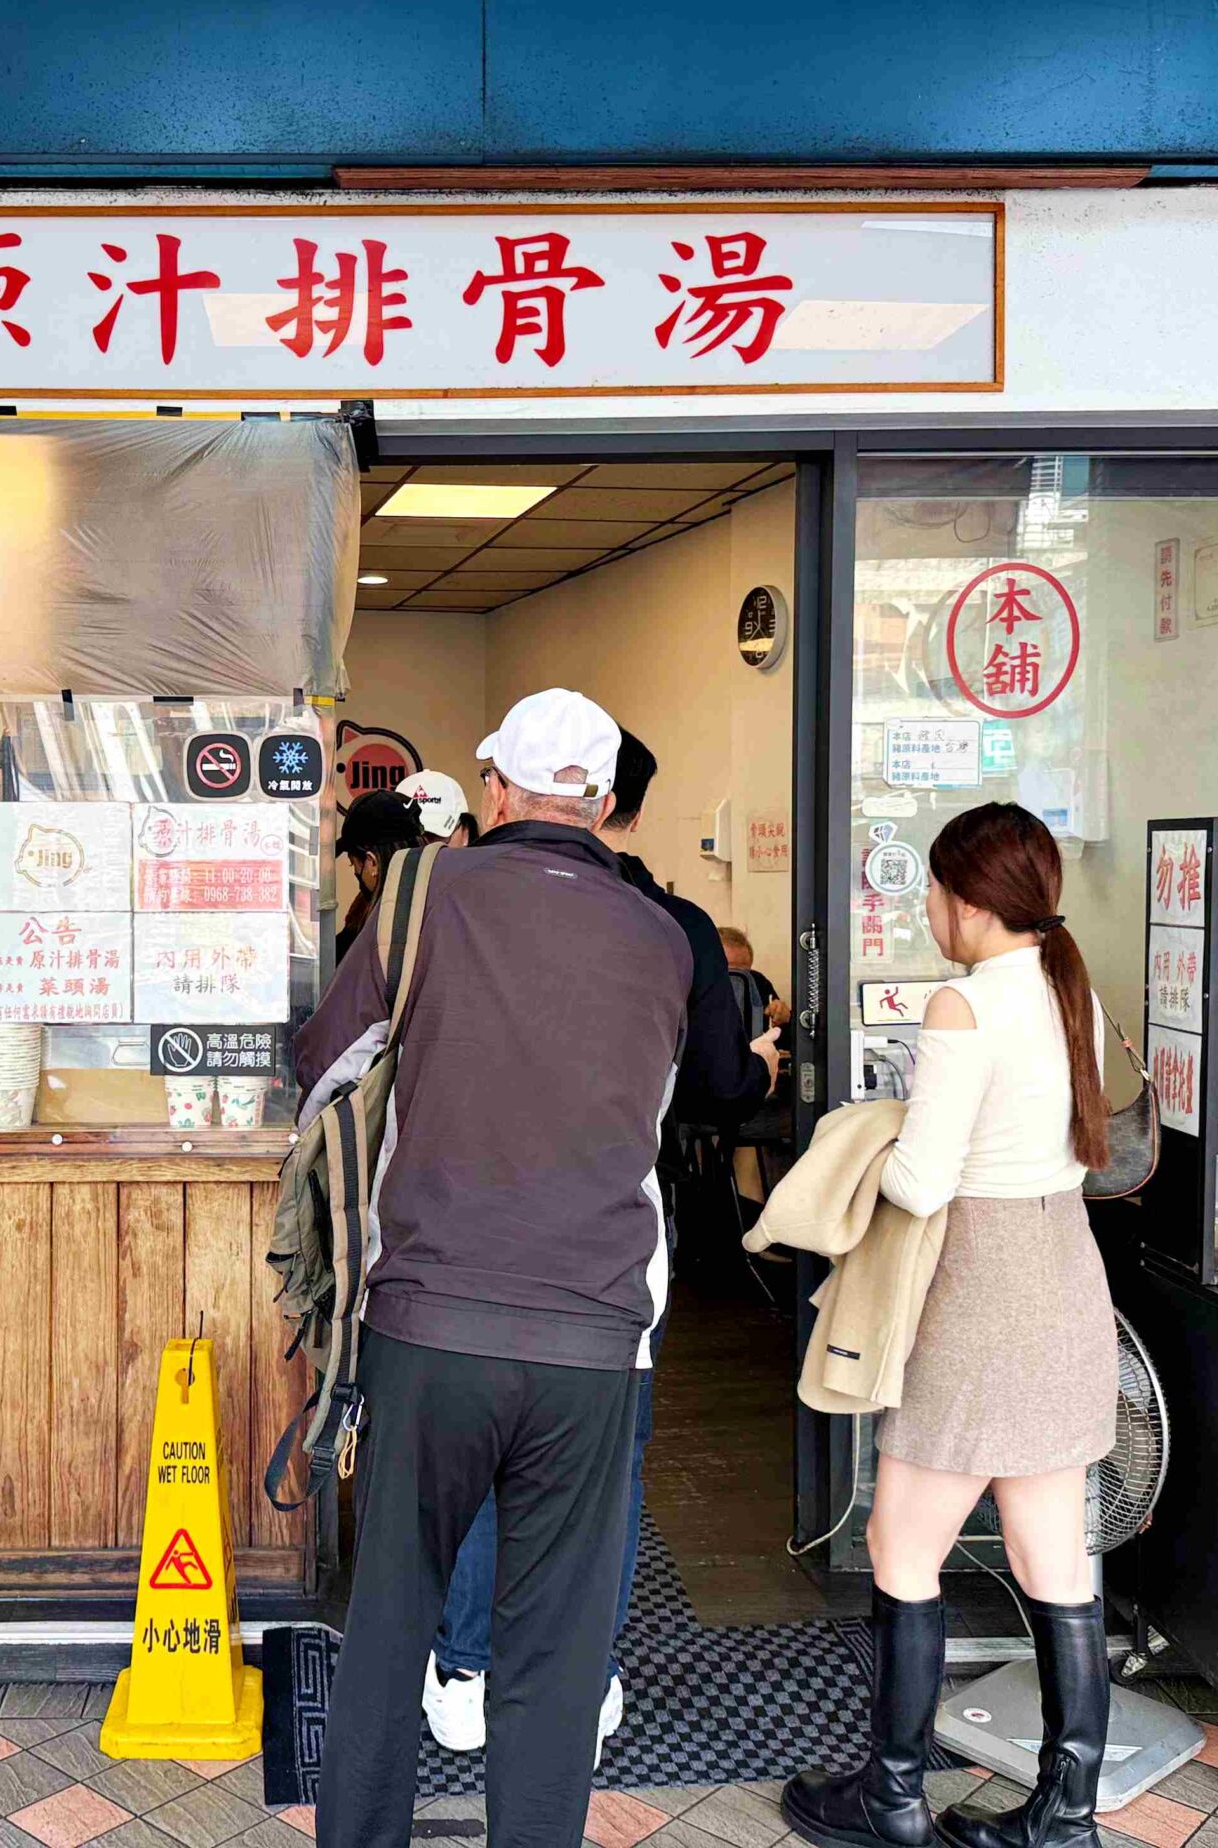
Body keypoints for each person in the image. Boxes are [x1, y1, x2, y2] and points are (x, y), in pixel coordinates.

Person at [296, 689, 693, 1848]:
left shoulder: (422, 893)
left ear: (501, 791)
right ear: (606, 803)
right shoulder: (664, 937)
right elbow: (685, 1090)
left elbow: (325, 1064)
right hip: (595, 1335)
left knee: (390, 1625)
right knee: (555, 1650)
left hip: (431, 1320)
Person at [423, 731, 784, 1754]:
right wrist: (757, 1060)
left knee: (479, 1464)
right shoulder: (671, 927)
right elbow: (720, 1085)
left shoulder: (451, 906)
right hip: (611, 1251)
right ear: (619, 797)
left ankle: (463, 1671)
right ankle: (577, 1682)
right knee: (598, 1470)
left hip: (463, 1241)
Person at [782, 801, 1117, 1848]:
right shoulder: (1073, 992)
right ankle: (1066, 1813)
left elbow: (924, 1184)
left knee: (901, 1542)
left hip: (980, 1287)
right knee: (1054, 1556)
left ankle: (890, 1798)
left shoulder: (963, 1006)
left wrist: (866, 1135)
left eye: (931, 889)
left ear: (967, 902)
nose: (926, 908)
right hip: (1063, 1273)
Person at [334, 787, 427, 961]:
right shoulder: (442, 904)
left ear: (372, 863)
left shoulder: (373, 928)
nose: (355, 871)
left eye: (352, 862)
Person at [719, 925, 790, 1034]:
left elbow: (779, 1036)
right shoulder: (690, 986)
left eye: (743, 973)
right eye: (729, 972)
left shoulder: (757, 982)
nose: (736, 983)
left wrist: (784, 1018)